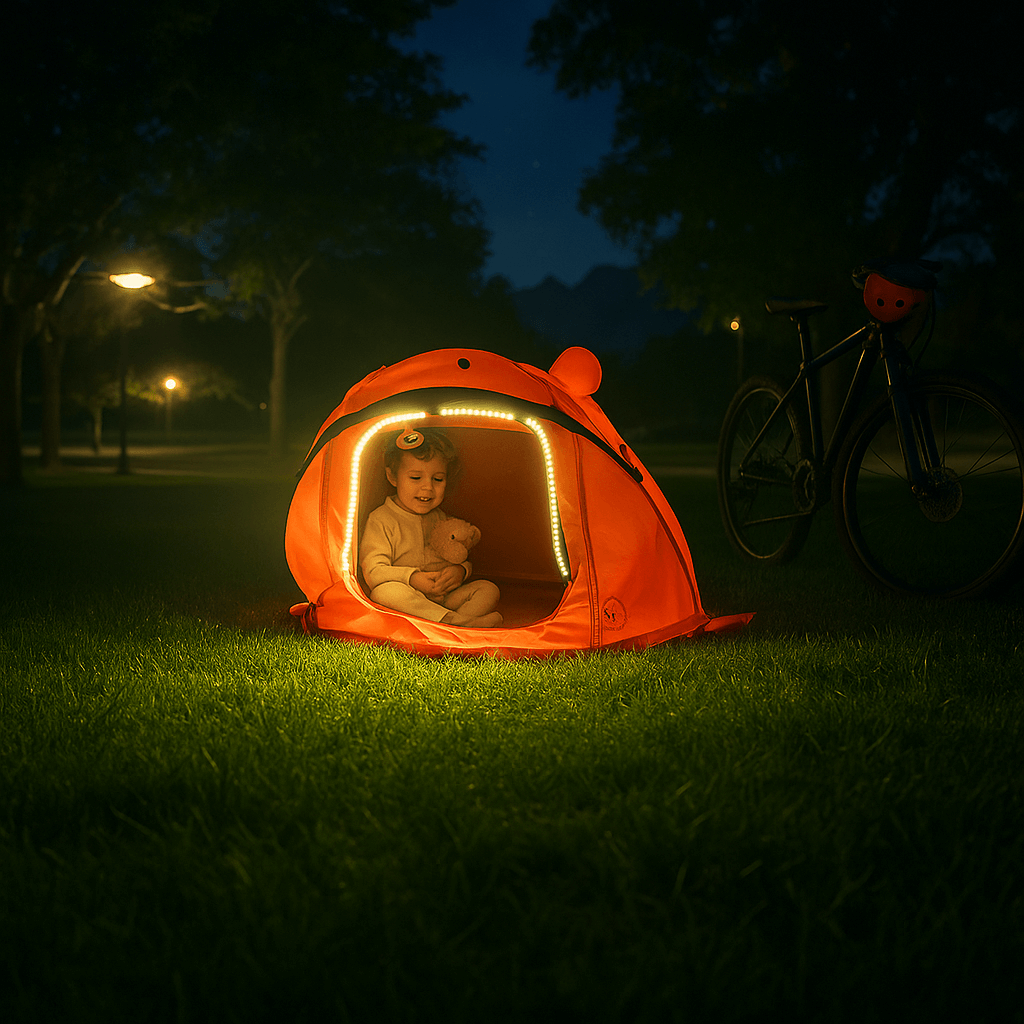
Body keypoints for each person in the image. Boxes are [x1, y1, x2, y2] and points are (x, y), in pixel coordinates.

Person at [359, 427, 502, 628]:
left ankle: (454, 623)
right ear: (393, 478)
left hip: (444, 597)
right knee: (383, 592)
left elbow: (458, 552)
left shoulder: (440, 517)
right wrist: (412, 578)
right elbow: (374, 571)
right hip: (409, 595)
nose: (427, 487)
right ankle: (457, 624)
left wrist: (460, 570)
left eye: (438, 479)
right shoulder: (381, 519)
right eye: (415, 478)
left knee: (488, 589)